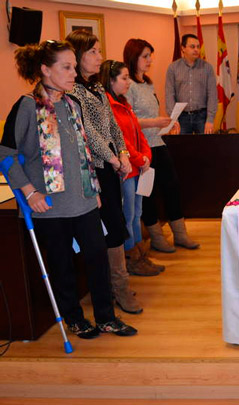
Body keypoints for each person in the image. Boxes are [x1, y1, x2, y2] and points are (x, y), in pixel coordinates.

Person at [0, 40, 136, 337]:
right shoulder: (26, 107)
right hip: (50, 207)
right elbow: (5, 154)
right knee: (62, 266)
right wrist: (29, 192)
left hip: (84, 200)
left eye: (74, 67)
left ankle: (106, 317)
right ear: (45, 70)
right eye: (67, 67)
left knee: (98, 260)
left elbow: (82, 150)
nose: (74, 73)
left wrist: (95, 189)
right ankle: (74, 318)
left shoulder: (72, 103)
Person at [66, 30, 154, 319]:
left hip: (111, 166)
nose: (99, 57)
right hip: (93, 169)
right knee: (109, 227)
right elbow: (88, 132)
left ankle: (117, 286)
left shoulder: (97, 88)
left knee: (116, 226)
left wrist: (124, 155)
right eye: (93, 52)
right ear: (78, 55)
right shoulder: (73, 91)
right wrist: (114, 157)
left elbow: (112, 126)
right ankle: (116, 289)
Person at [124, 38, 199, 253]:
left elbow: (152, 115)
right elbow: (127, 120)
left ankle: (180, 234)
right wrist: (154, 122)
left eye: (150, 57)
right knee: (148, 193)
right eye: (145, 56)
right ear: (133, 57)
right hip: (141, 148)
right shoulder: (128, 85)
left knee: (172, 187)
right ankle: (156, 237)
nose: (149, 61)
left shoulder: (147, 83)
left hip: (157, 142)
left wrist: (167, 122)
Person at [100, 60, 165, 277]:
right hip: (127, 170)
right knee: (128, 216)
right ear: (111, 80)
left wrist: (146, 155)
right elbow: (121, 141)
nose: (128, 82)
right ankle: (131, 258)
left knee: (137, 213)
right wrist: (138, 158)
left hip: (138, 167)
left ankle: (139, 254)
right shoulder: (108, 106)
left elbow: (137, 133)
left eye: (128, 77)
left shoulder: (125, 103)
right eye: (124, 78)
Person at [165, 34, 217, 134]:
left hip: (202, 116)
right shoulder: (173, 68)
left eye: (198, 47)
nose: (196, 49)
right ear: (183, 48)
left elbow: (212, 95)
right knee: (183, 148)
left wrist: (210, 120)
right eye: (192, 47)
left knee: (204, 148)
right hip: (181, 117)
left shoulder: (207, 68)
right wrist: (173, 119)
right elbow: (169, 95)